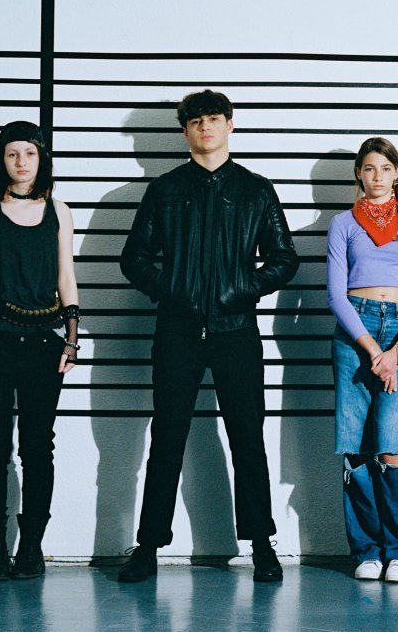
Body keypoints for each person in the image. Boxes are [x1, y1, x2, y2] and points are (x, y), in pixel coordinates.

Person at [117, 90, 300, 583]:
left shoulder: (256, 191)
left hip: (236, 330)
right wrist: (173, 291)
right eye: (196, 121)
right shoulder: (165, 190)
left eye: (214, 119)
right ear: (185, 131)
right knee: (166, 438)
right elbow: (133, 258)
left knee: (248, 438)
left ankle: (262, 545)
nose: (205, 127)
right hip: (177, 332)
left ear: (230, 125)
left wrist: (242, 289)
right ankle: (147, 547)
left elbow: (284, 259)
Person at [0, 121, 80, 580]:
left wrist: (72, 339)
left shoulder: (59, 211)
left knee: (38, 448)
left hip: (45, 342)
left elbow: (66, 278)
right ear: (1, 160)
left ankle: (32, 547)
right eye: (12, 153)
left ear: (42, 159)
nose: (21, 162)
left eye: (30, 153)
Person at [326, 137, 398, 583]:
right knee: (355, 445)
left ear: (397, 173)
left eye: (385, 169)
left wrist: (397, 351)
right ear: (359, 173)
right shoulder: (342, 223)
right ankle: (367, 550)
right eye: (369, 168)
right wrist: (374, 351)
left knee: (394, 445)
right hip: (356, 333)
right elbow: (336, 294)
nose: (377, 177)